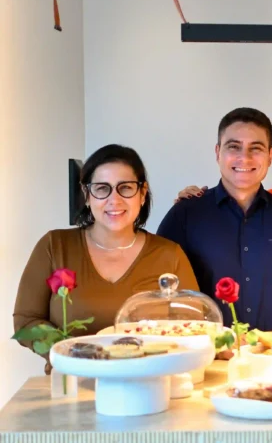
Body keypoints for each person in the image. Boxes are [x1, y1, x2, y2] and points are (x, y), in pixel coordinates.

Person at [13, 144, 198, 368]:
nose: (114, 200)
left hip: (151, 381)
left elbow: (194, 328)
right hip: (72, 381)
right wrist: (74, 353)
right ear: (87, 195)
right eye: (102, 188)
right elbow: (26, 321)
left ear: (142, 193)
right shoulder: (55, 245)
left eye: (125, 188)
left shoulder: (170, 254)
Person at [157, 107, 272, 331]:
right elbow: (160, 287)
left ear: (270, 156)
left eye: (256, 148)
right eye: (234, 147)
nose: (245, 157)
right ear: (217, 152)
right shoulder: (185, 215)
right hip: (206, 350)